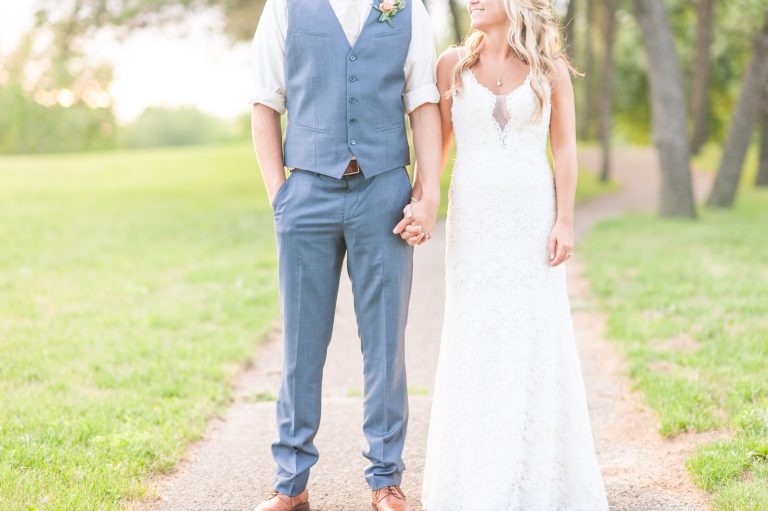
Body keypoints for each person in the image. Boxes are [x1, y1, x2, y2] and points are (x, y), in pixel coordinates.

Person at [415, 0, 610, 509]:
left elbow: (564, 148)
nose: (473, 1)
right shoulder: (450, 64)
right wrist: (422, 198)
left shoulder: (551, 70)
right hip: (474, 224)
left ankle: (536, 475)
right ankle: (473, 479)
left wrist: (564, 218)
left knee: (532, 335)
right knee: (476, 333)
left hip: (531, 221)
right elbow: (437, 143)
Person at [248, 0, 442, 510]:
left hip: (384, 194)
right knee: (299, 344)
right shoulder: (285, 8)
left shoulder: (408, 11)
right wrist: (279, 195)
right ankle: (290, 482)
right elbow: (265, 102)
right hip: (306, 194)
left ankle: (385, 479)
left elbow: (423, 104)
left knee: (385, 344)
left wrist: (427, 192)